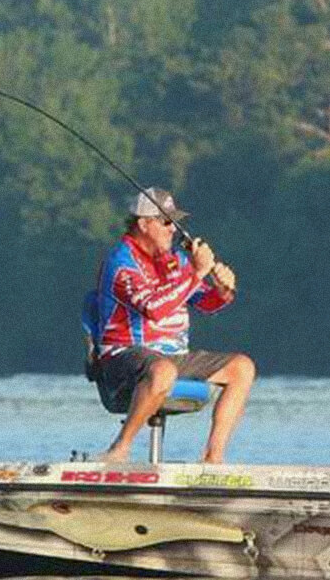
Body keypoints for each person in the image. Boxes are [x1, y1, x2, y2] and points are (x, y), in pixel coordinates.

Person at [93, 187, 255, 464]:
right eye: (167, 222)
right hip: (124, 356)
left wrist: (224, 289)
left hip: (173, 356)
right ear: (144, 224)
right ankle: (120, 448)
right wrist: (198, 271)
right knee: (163, 370)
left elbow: (206, 302)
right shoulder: (121, 263)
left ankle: (212, 459)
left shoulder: (177, 261)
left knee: (242, 367)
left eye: (175, 222)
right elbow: (154, 309)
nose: (173, 229)